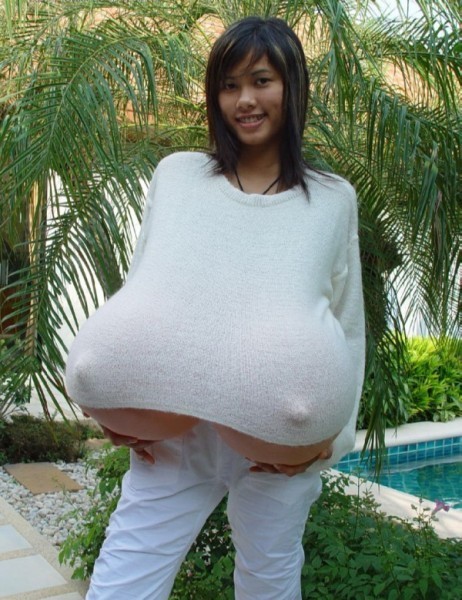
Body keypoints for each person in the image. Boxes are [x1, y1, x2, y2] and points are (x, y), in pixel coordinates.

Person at [66, 16, 365, 600]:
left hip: (276, 442)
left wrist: (334, 436)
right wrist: (118, 385)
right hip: (174, 433)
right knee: (122, 582)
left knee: (269, 583)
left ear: (292, 87)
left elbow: (347, 323)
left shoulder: (332, 199)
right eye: (229, 86)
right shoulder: (178, 176)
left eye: (261, 81)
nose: (244, 100)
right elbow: (144, 285)